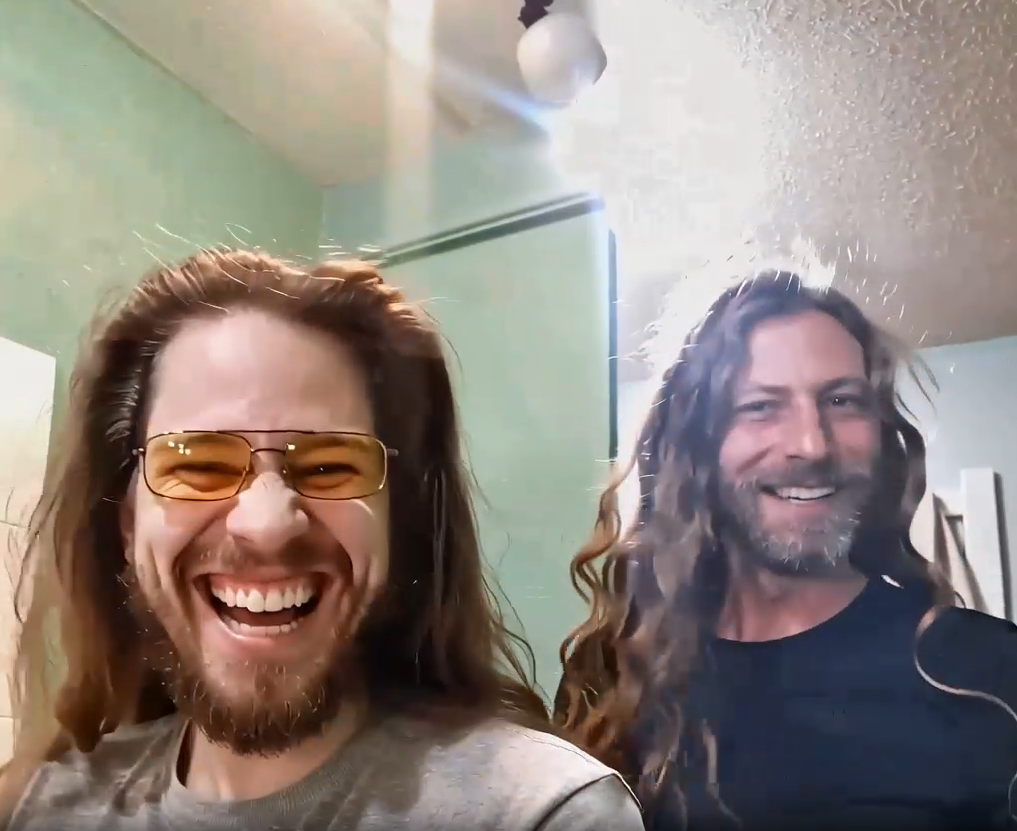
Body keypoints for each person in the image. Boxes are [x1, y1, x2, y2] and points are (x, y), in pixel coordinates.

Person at [1, 248, 643, 831]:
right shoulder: (36, 806)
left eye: (332, 466)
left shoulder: (542, 813)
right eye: (197, 465)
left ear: (395, 524)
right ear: (126, 523)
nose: (266, 526)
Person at [555, 271, 1017, 830]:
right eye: (760, 406)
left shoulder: (986, 670)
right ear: (694, 444)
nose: (812, 445)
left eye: (842, 400)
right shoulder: (611, 676)